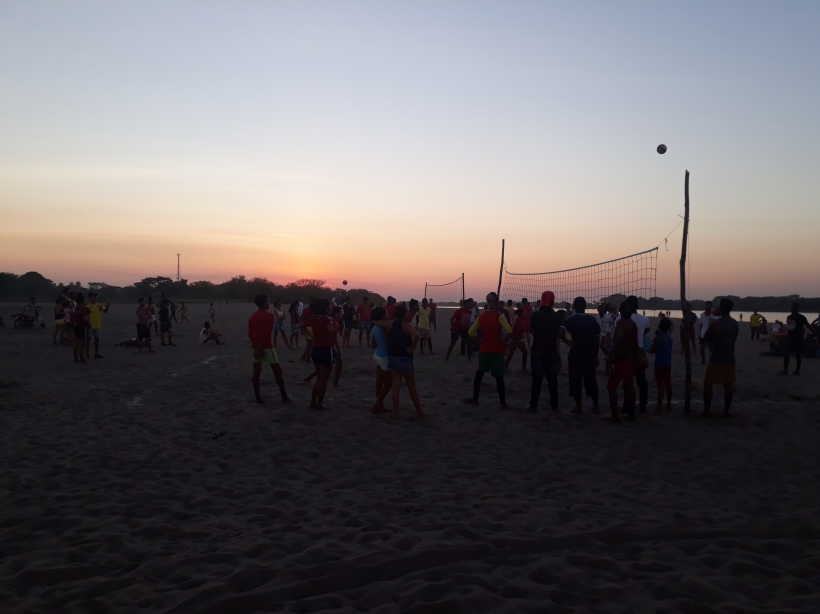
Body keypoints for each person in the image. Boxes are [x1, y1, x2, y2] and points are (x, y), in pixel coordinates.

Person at [373, 304, 427, 420]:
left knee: (396, 387)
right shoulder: (406, 325)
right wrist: (413, 347)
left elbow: (377, 323)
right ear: (405, 314)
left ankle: (396, 413)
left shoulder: (389, 323)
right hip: (404, 358)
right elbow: (416, 335)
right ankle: (419, 411)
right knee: (411, 387)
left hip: (392, 358)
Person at [466, 292, 513, 408]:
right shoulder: (499, 316)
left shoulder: (481, 317)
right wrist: (504, 342)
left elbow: (470, 332)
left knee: (480, 374)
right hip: (497, 351)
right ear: (496, 301)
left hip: (484, 350)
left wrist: (479, 341)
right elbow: (510, 331)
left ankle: (476, 400)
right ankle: (502, 403)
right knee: (499, 378)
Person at [558, 297, 601, 415]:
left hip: (576, 353)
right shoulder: (592, 320)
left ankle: (579, 408)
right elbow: (597, 339)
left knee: (575, 380)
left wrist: (567, 342)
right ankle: (596, 406)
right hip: (589, 353)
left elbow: (560, 332)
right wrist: (595, 355)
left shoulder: (571, 319)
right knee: (591, 379)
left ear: (573, 307)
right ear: (585, 306)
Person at [249, 294, 291, 405]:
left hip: (256, 347)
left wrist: (256, 348)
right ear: (264, 303)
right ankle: (284, 397)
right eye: (267, 302)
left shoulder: (252, 317)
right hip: (266, 347)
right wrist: (260, 347)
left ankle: (258, 398)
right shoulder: (269, 316)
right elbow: (268, 336)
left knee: (256, 372)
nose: (269, 304)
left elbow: (250, 334)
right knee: (278, 371)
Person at [701, 298, 739, 418]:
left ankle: (707, 411)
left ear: (721, 308)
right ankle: (726, 411)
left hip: (717, 358)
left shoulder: (716, 323)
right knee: (728, 385)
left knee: (708, 384)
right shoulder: (734, 323)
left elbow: (707, 337)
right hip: (730, 357)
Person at [526, 291, 563, 412]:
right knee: (552, 380)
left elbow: (531, 330)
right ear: (552, 302)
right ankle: (555, 406)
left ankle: (533, 406)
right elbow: (558, 334)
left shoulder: (534, 315)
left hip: (537, 349)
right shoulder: (557, 317)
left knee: (536, 380)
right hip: (551, 350)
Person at [606, 300, 640, 422]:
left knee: (611, 386)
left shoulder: (620, 323)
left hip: (622, 359)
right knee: (629, 386)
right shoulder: (633, 323)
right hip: (631, 358)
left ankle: (615, 416)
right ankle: (631, 414)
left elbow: (619, 338)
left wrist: (613, 352)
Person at [302, 299, 338, 410]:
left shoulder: (313, 319)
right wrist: (330, 341)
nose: (330, 308)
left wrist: (312, 336)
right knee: (324, 380)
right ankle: (319, 404)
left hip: (315, 349)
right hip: (325, 349)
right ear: (325, 308)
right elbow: (331, 331)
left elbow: (302, 326)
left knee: (318, 378)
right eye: (329, 307)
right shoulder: (326, 319)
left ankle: (313, 402)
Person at [780, 302, 814, 376]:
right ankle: (785, 370)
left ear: (797, 308)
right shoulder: (789, 317)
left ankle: (797, 371)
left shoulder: (802, 317)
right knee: (786, 354)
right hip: (790, 337)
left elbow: (808, 325)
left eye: (793, 307)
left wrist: (815, 333)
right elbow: (790, 327)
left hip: (798, 338)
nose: (791, 308)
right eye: (791, 307)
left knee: (798, 355)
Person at [369, 306, 393, 414]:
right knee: (388, 383)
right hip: (384, 357)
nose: (388, 314)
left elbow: (373, 344)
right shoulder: (384, 327)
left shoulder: (374, 327)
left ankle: (380, 406)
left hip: (377, 355)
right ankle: (377, 405)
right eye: (386, 312)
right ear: (383, 315)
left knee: (379, 383)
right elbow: (388, 343)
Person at [650, 317, 674, 413]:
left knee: (660, 386)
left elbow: (652, 350)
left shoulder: (658, 338)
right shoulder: (669, 338)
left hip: (659, 363)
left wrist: (654, 341)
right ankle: (668, 404)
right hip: (667, 363)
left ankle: (659, 406)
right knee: (668, 384)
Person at [86, 292, 111, 358]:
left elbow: (105, 311)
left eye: (96, 297)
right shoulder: (87, 306)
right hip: (90, 324)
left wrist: (107, 307)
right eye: (94, 296)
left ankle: (96, 353)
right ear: (90, 298)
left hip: (97, 324)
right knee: (88, 339)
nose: (95, 298)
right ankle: (87, 353)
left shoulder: (99, 305)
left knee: (97, 339)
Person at [505, 308, 529, 373]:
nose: (526, 312)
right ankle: (504, 368)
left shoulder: (524, 320)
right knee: (511, 354)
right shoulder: (517, 321)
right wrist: (513, 342)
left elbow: (526, 330)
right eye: (524, 312)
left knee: (525, 352)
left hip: (519, 339)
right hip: (514, 339)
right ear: (521, 314)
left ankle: (523, 368)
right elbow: (512, 331)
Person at [71, 294, 90, 363]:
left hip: (76, 326)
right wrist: (90, 324)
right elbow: (86, 319)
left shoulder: (76, 308)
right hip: (82, 327)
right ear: (83, 301)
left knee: (76, 343)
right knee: (82, 344)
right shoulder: (85, 309)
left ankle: (76, 358)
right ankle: (82, 359)